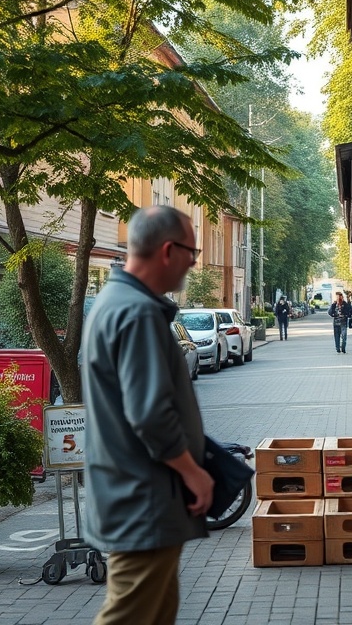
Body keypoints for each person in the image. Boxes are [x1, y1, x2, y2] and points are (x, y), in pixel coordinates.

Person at [82, 205, 212, 625]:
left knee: (155, 612)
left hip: (135, 494)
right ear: (169, 251)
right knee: (130, 614)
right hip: (143, 498)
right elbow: (150, 414)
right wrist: (194, 471)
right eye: (192, 253)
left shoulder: (117, 302)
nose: (194, 264)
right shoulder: (137, 313)